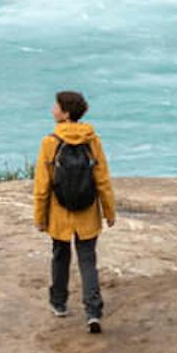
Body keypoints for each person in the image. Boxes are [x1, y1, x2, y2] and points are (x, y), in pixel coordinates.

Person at [33, 89, 116, 333]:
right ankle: (93, 312)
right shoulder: (93, 141)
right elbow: (102, 180)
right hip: (88, 211)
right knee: (88, 260)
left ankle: (59, 303)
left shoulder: (50, 142)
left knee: (60, 255)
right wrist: (109, 212)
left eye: (56, 106)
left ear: (65, 113)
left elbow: (42, 185)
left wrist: (39, 216)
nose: (52, 110)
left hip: (60, 213)